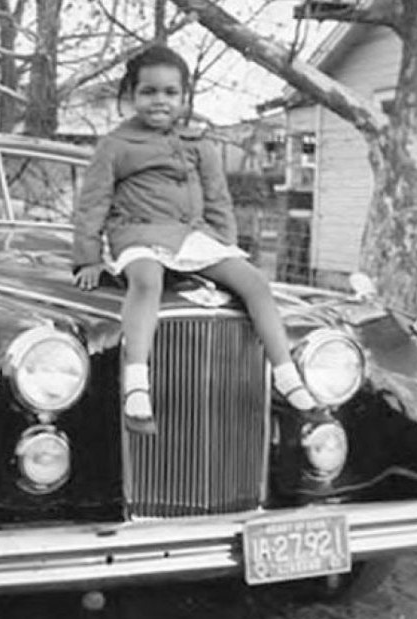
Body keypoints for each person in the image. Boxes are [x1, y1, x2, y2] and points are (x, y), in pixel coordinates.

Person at [72, 44, 327, 435]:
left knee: (254, 282)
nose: (160, 101)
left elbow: (218, 198)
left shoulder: (198, 144)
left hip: (191, 235)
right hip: (137, 231)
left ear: (184, 97)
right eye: (149, 92)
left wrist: (223, 246)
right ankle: (137, 382)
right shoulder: (115, 145)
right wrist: (88, 258)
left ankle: (286, 373)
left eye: (171, 93)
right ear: (131, 96)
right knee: (147, 279)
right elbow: (92, 204)